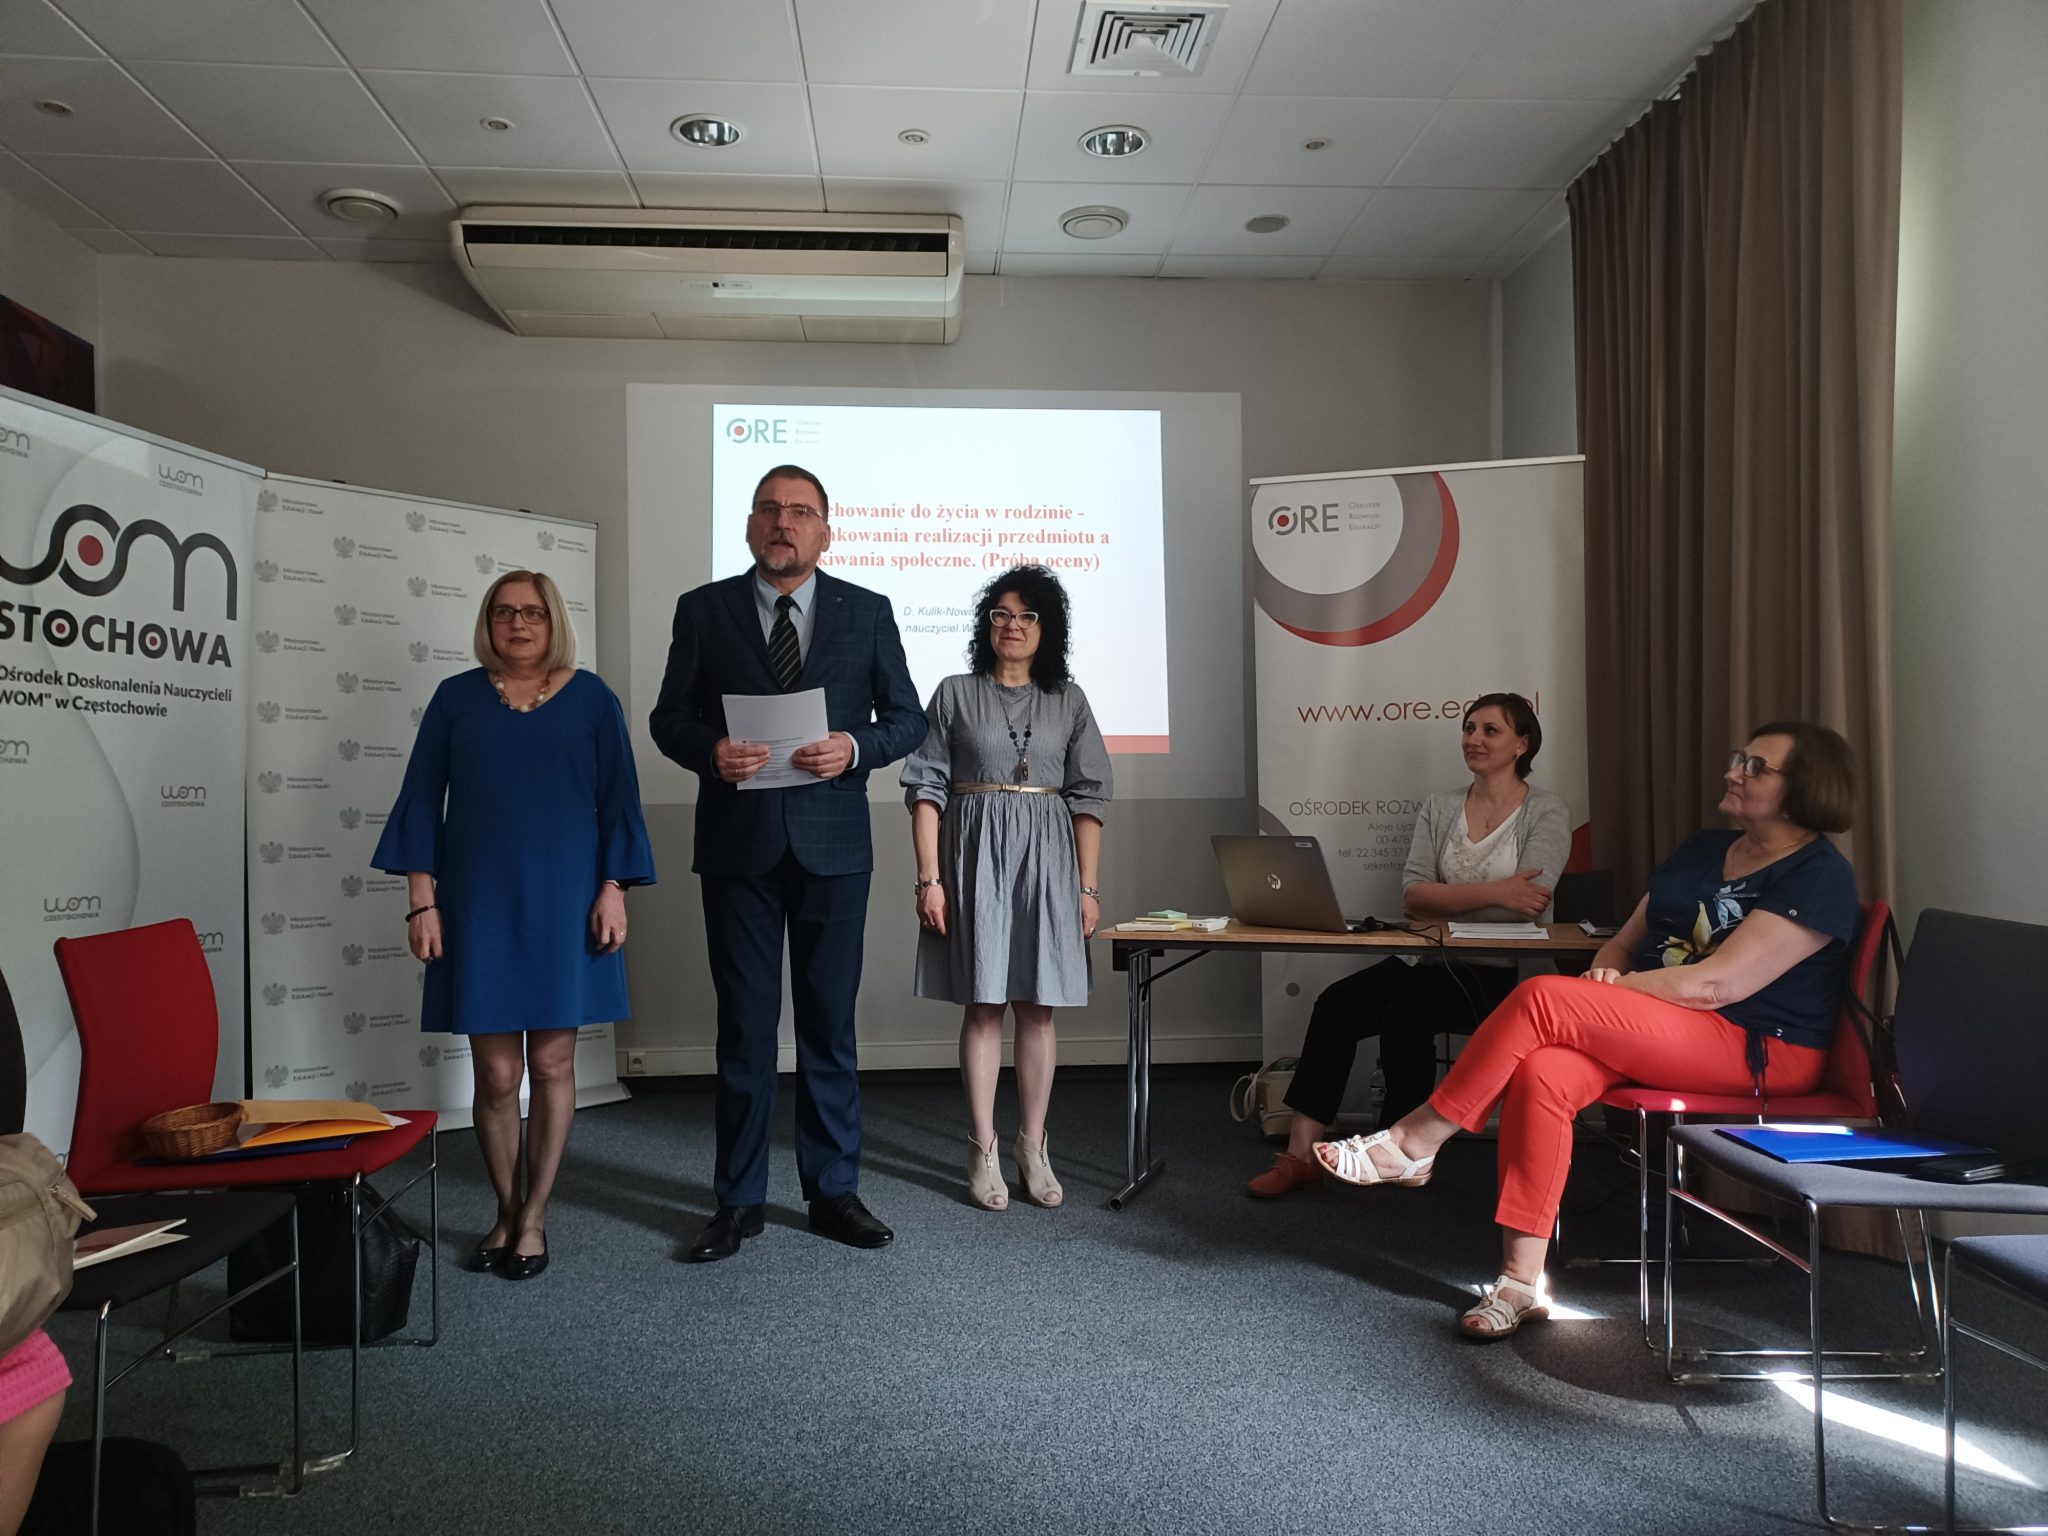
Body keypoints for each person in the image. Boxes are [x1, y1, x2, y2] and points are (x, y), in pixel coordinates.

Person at [1315, 722, 1861, 1339]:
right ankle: (1521, 1282)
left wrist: (1608, 993)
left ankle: (1413, 1141)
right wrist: (1606, 975)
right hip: (1666, 1024)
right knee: (1543, 1070)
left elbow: (1717, 985)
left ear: (1804, 789)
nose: (1733, 772)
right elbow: (1625, 941)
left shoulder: (1819, 875)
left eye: (1756, 766)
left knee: (1543, 997)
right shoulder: (1704, 849)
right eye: (1739, 759)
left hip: (1757, 1047)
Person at [650, 464, 925, 1261]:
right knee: (743, 1027)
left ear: (824, 532)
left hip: (834, 847)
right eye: (770, 509)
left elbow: (906, 718)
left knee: (828, 1026)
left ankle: (833, 1190)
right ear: (748, 526)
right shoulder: (703, 610)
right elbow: (668, 718)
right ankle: (737, 1201)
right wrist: (711, 751)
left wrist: (855, 747)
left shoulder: (865, 611)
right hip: (737, 844)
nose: (784, 523)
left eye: (801, 511)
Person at [375, 570, 654, 1281]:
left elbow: (620, 802)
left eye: (532, 612)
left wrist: (614, 889)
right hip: (479, 905)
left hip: (568, 903)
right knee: (497, 1075)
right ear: (488, 623)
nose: (518, 624)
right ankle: (505, 1208)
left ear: (553, 621)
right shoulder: (456, 698)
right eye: (504, 612)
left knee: (553, 1065)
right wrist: (421, 900)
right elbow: (420, 801)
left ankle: (535, 1216)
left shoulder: (593, 699)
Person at [1246, 693, 1571, 1198]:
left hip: (1504, 969)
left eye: (1490, 730)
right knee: (1336, 1004)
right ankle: (1300, 1155)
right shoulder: (1441, 806)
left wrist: (1458, 899)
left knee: (1406, 1016)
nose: (1473, 739)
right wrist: (1495, 891)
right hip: (1428, 956)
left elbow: (1529, 903)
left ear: (1521, 744)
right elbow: (1415, 897)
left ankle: (1396, 1153)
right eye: (1468, 728)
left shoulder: (1546, 810)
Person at [901, 566, 1112, 1211]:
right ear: (985, 624)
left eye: (1025, 615)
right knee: (984, 1003)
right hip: (973, 859)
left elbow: (1089, 797)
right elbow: (925, 788)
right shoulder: (954, 693)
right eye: (1000, 614)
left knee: (1039, 1007)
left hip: (1048, 861)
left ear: (1048, 628)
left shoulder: (1069, 700)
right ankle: (984, 1147)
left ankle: (1033, 1145)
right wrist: (930, 879)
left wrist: (1088, 888)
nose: (1011, 625)